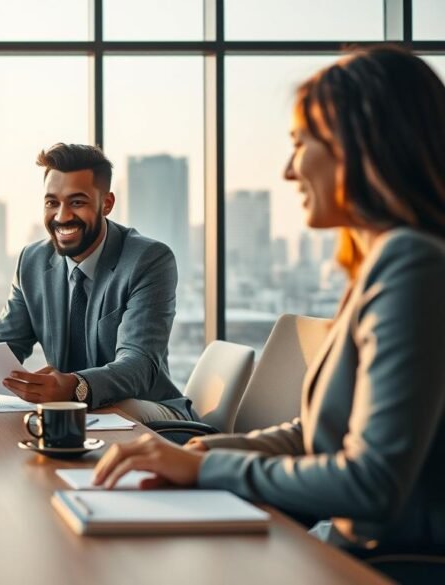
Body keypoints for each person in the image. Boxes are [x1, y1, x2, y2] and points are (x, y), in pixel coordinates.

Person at [92, 46, 445, 555]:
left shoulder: (413, 265)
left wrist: (208, 467)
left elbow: (371, 482)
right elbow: (319, 435)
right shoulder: (377, 266)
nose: (288, 170)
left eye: (300, 144)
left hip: (383, 563)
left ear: (357, 146)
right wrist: (201, 451)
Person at [0, 143, 195, 423]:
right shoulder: (32, 261)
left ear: (106, 204)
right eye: (52, 202)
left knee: (118, 411)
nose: (62, 217)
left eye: (77, 202)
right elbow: (5, 347)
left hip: (148, 410)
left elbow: (138, 366)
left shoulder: (148, 260)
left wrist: (76, 386)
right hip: (70, 415)